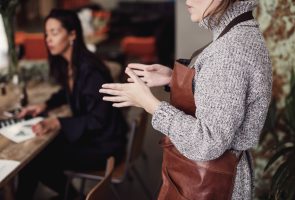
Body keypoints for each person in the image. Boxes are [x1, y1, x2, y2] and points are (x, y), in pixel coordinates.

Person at [100, 0, 272, 199]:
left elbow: (207, 143)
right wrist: (173, 79)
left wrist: (150, 104)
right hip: (217, 178)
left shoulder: (229, 52)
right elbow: (223, 95)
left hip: (214, 184)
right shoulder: (239, 34)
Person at [16, 9, 127, 199]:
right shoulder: (71, 64)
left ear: (72, 34)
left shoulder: (91, 71)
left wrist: (57, 122)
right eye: (46, 34)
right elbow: (70, 92)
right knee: (38, 157)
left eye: (55, 32)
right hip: (94, 138)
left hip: (105, 145)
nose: (48, 39)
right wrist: (45, 105)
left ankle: (73, 197)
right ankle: (73, 196)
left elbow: (98, 120)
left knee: (36, 161)